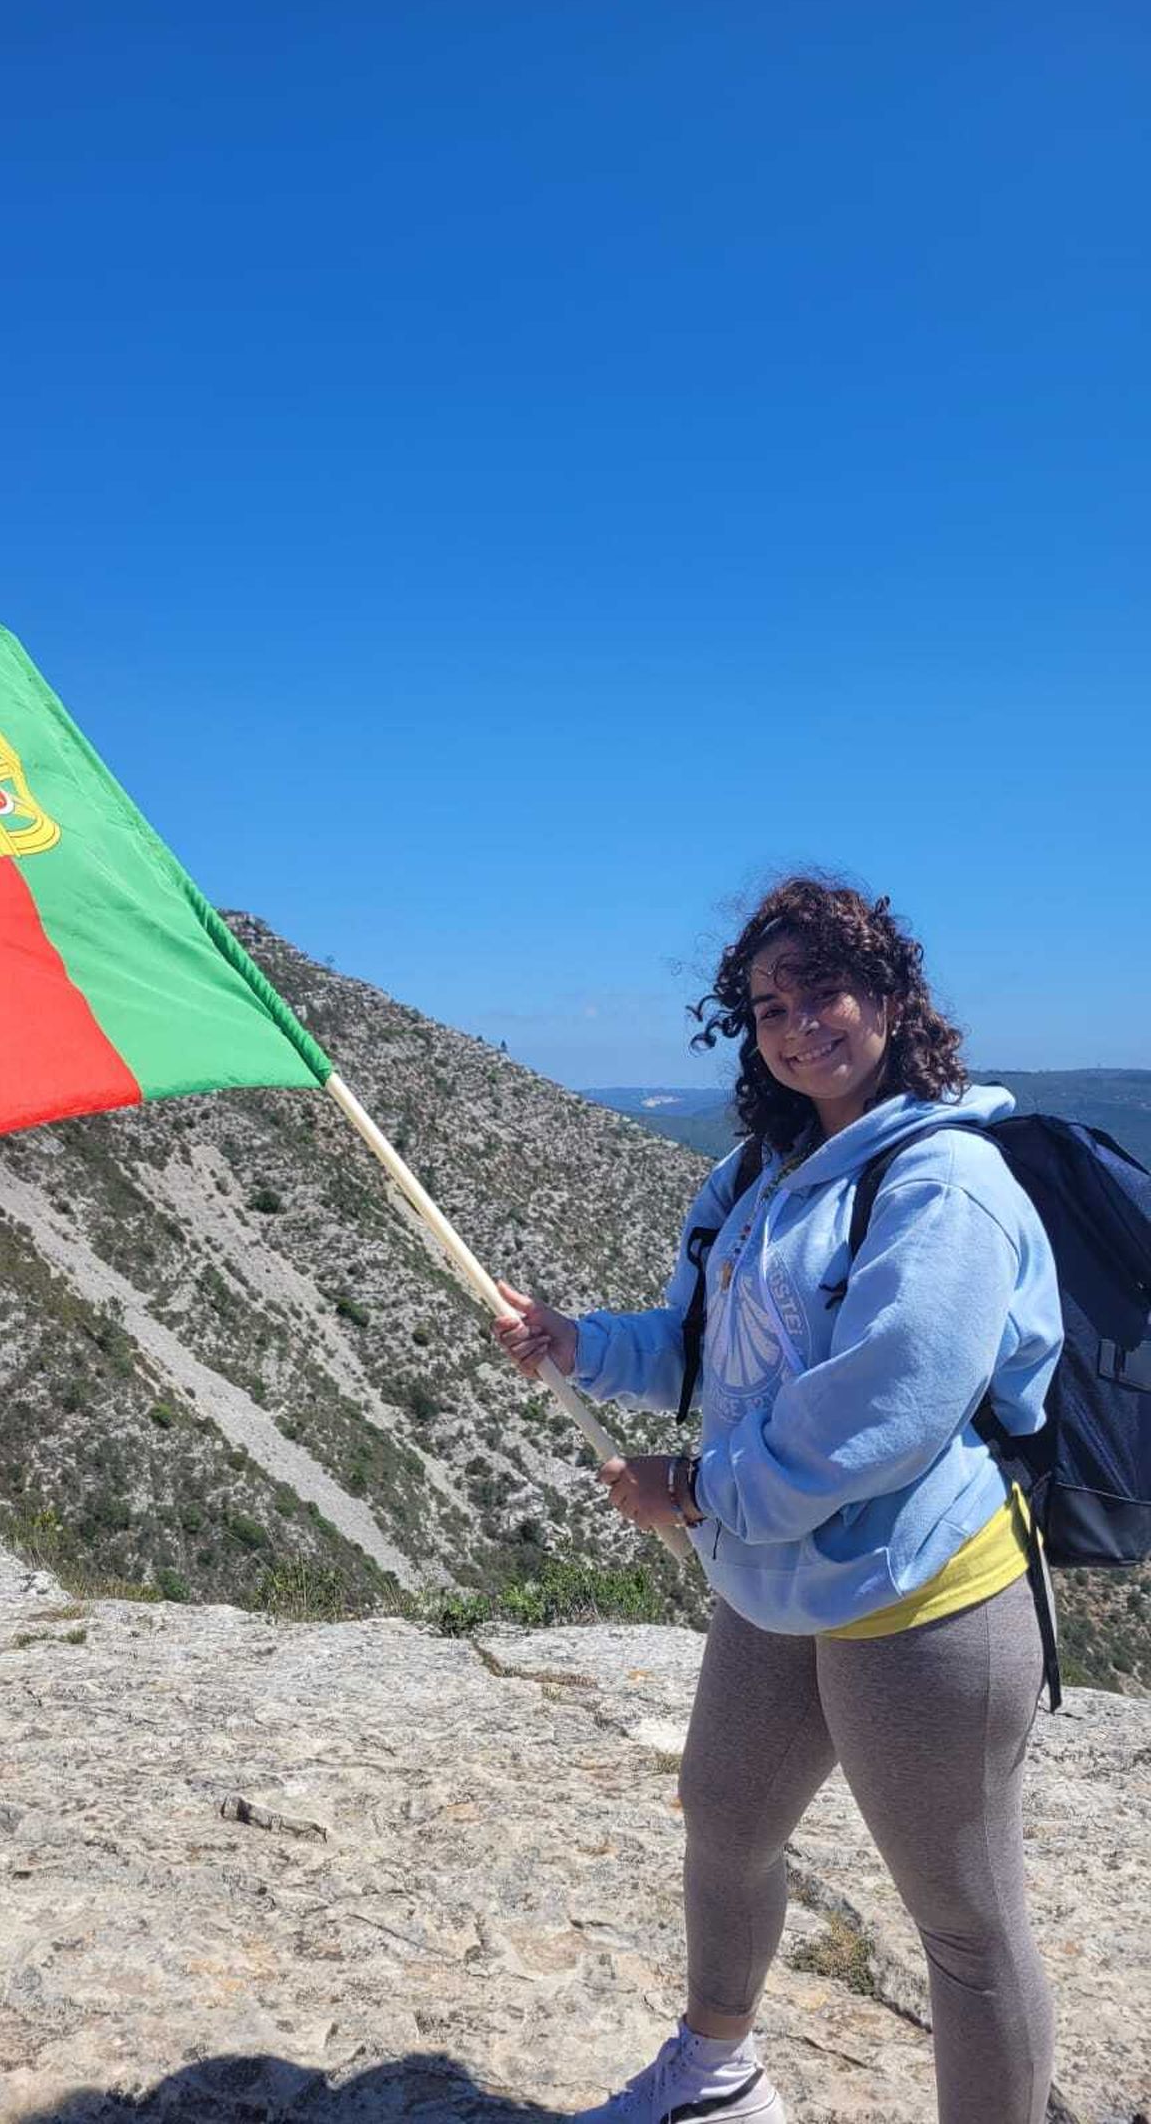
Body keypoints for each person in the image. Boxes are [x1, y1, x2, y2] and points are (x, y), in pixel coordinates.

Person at [495, 876, 1062, 2124]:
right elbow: (704, 1350)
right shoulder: (765, 1173)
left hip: (919, 1595)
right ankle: (716, 2077)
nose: (799, 1024)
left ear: (891, 999)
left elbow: (882, 1413)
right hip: (778, 1580)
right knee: (725, 1820)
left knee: (964, 1925)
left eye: (825, 991)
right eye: (768, 1005)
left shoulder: (945, 1183)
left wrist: (696, 1490)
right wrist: (579, 1344)